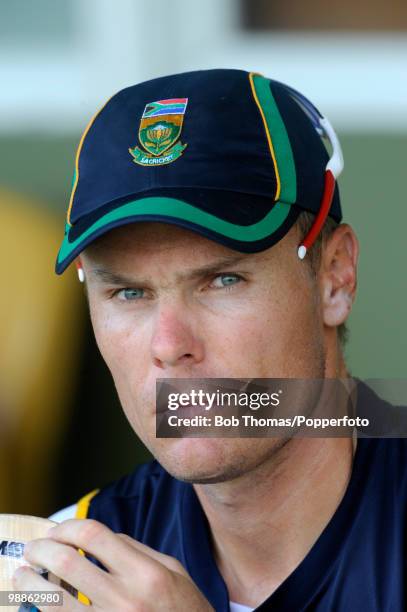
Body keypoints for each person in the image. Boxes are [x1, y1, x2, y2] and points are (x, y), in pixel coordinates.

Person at [12, 69, 406, 611]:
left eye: (223, 280)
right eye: (129, 293)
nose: (170, 344)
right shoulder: (64, 566)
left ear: (334, 277)